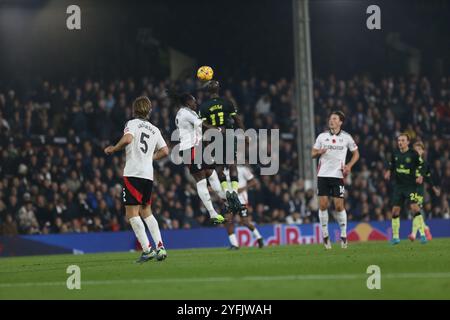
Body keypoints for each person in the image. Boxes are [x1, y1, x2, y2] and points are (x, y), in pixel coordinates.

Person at [104, 96, 169, 263]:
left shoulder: (131, 123)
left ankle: (147, 250)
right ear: (149, 110)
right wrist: (150, 157)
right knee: (146, 210)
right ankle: (160, 247)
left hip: (133, 173)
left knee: (131, 214)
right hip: (148, 174)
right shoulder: (155, 129)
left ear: (134, 110)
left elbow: (127, 139)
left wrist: (114, 148)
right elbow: (165, 151)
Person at [172, 91, 225, 224]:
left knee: (211, 174)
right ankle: (212, 213)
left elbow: (199, 131)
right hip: (190, 149)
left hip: (198, 147)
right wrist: (217, 130)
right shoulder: (184, 113)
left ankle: (225, 199)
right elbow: (202, 125)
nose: (196, 103)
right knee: (201, 180)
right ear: (187, 102)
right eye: (193, 101)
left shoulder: (190, 113)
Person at [311, 111, 359, 249]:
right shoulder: (322, 136)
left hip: (338, 176)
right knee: (323, 205)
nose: (331, 120)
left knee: (339, 206)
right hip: (323, 175)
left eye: (334, 118)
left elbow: (356, 153)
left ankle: (343, 235)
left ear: (340, 122)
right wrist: (318, 152)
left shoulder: (346, 137)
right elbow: (312, 153)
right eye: (330, 118)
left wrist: (349, 165)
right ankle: (325, 236)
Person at [198, 80, 246, 215]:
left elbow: (201, 125)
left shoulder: (204, 107)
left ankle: (226, 191)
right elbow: (238, 119)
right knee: (232, 164)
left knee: (219, 167)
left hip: (214, 137)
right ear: (218, 89)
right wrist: (244, 133)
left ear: (208, 91)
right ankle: (234, 192)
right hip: (229, 134)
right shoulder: (227, 103)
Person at [384, 133, 425, 245]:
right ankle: (396, 237)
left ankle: (422, 235)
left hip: (411, 186)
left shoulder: (413, 154)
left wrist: (420, 175)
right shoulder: (395, 153)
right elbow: (391, 165)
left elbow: (421, 165)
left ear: (408, 142)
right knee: (395, 211)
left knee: (415, 208)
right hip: (399, 187)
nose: (400, 143)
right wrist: (388, 171)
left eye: (402, 140)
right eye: (399, 141)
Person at [409, 141, 441, 242]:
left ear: (422, 151)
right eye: (415, 149)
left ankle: (414, 234)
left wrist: (434, 188)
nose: (417, 151)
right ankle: (426, 229)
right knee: (415, 210)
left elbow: (428, 178)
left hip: (419, 190)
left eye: (419, 149)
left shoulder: (425, 164)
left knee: (415, 209)